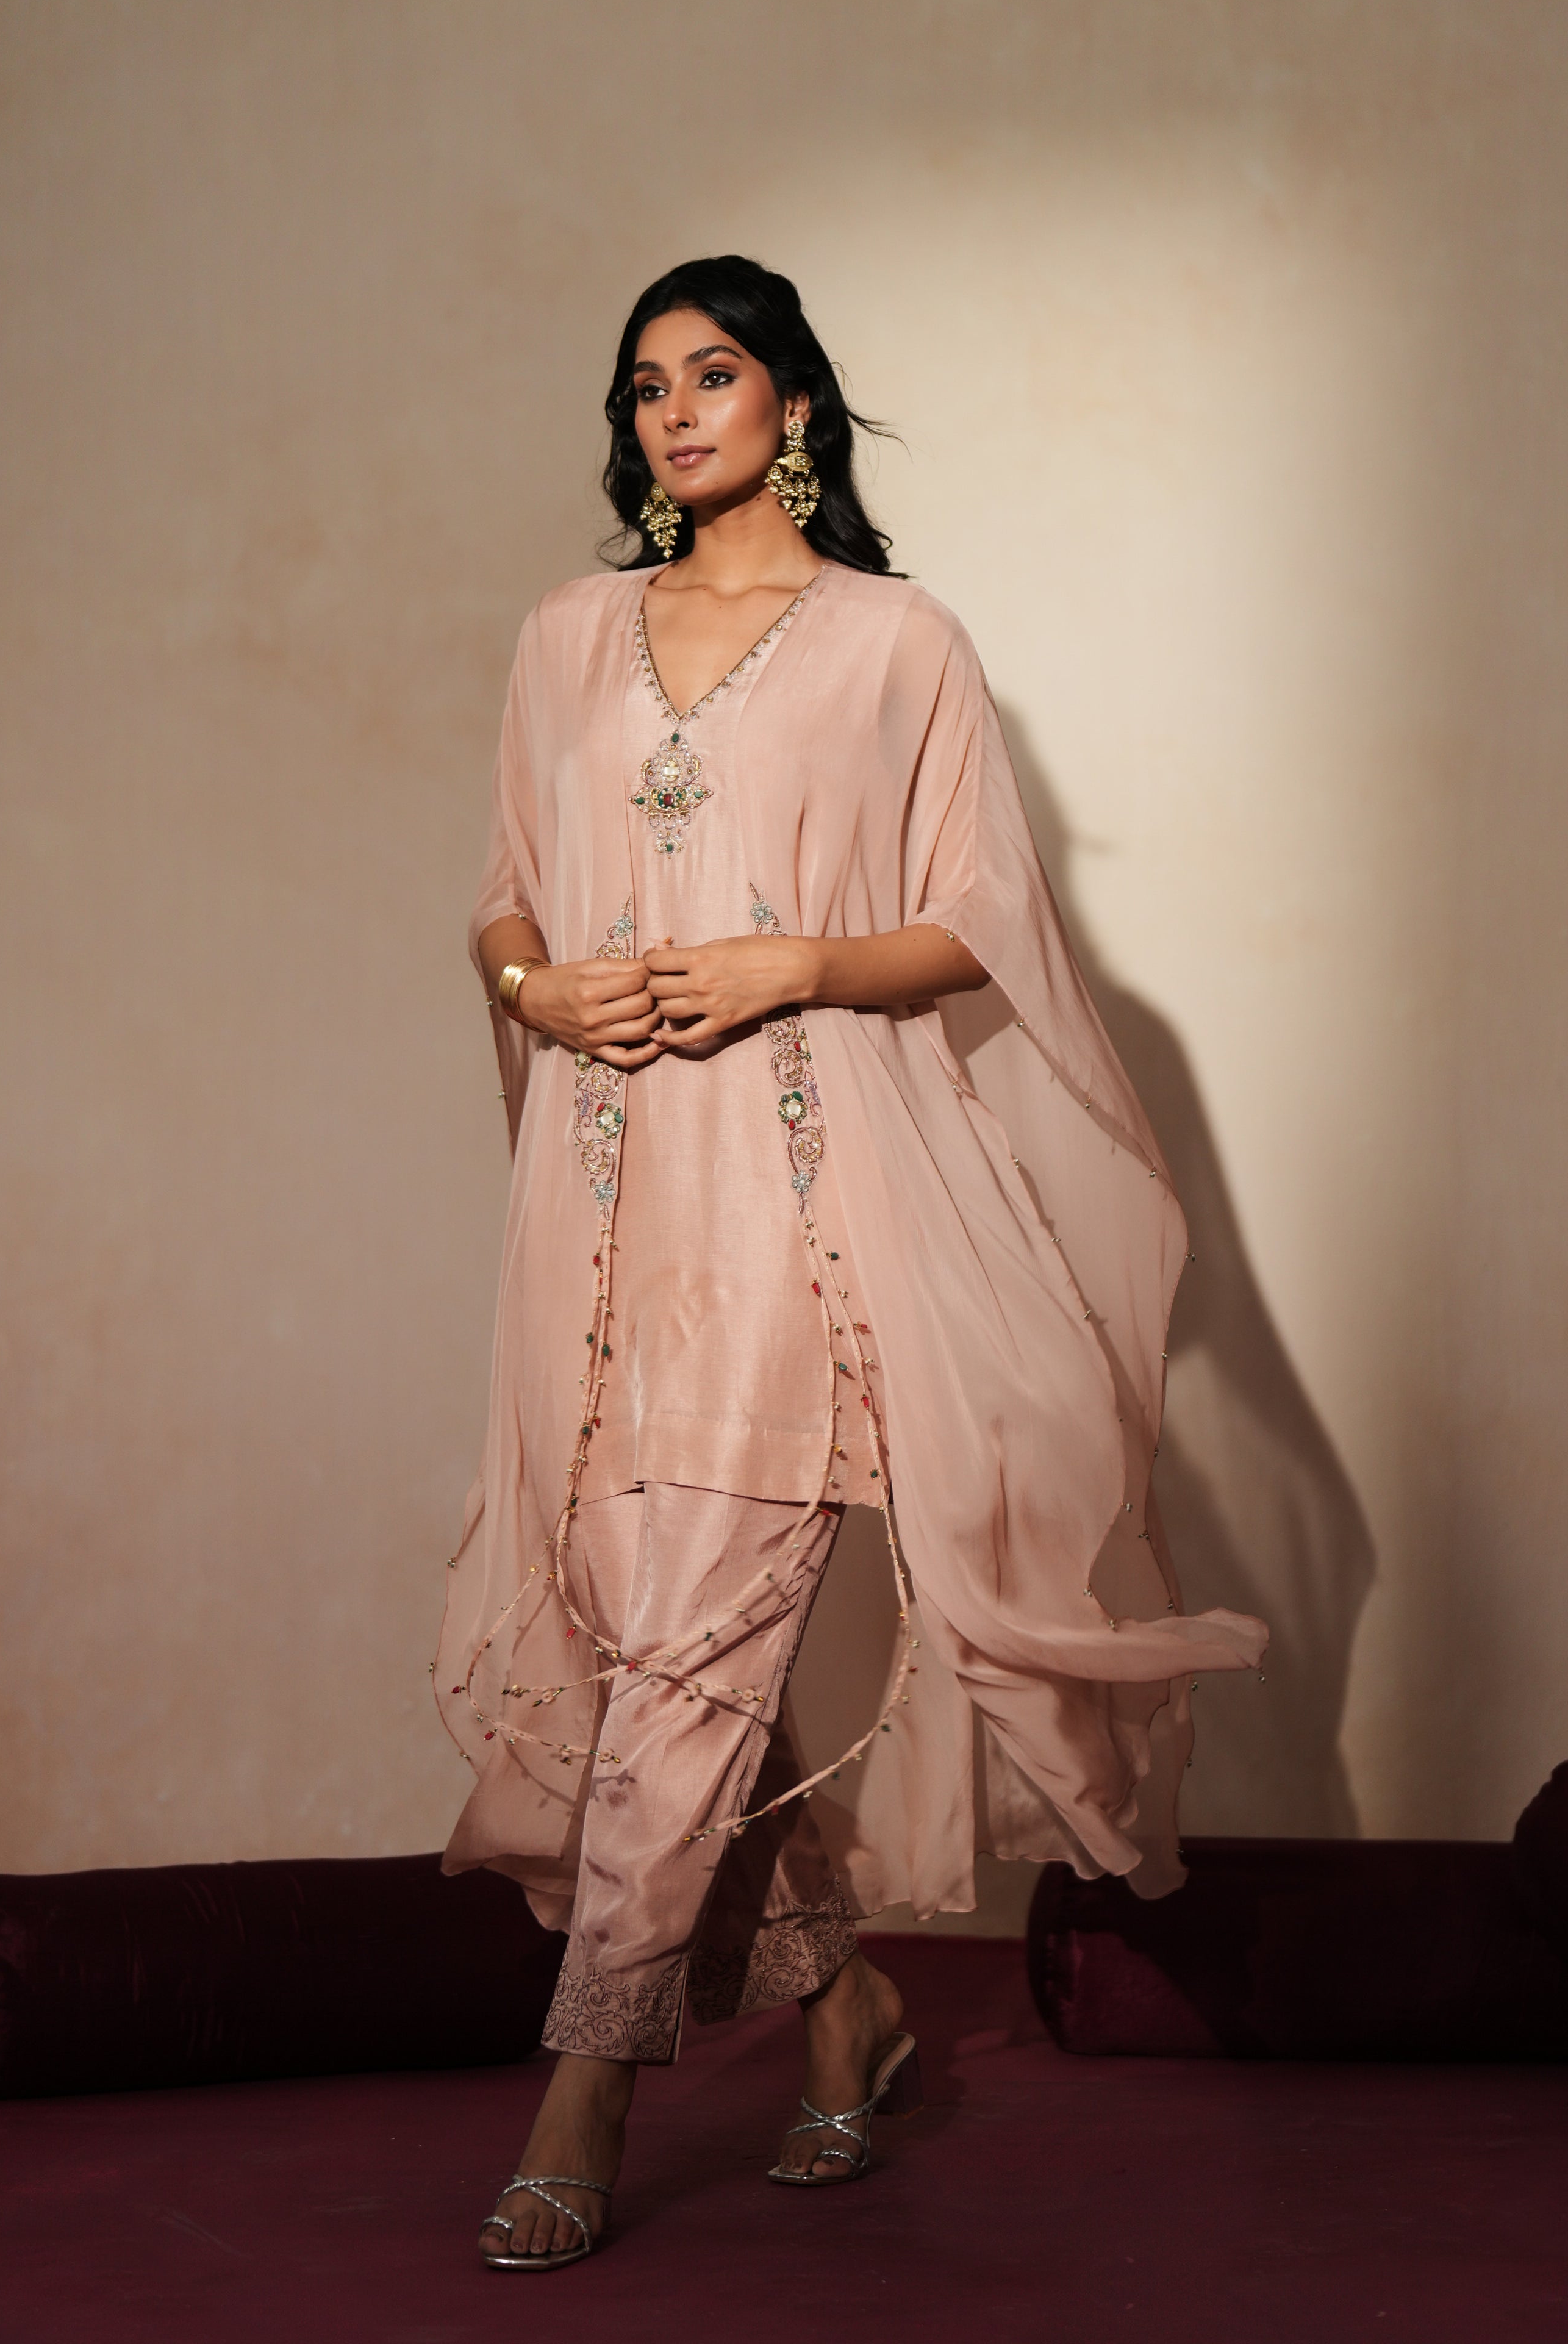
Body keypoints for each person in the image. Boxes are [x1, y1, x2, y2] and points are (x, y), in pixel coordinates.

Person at [433, 256, 1267, 2270]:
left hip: (805, 1213)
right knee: (655, 1652)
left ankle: (588, 2091)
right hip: (613, 1205)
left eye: (716, 374)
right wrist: (546, 1002)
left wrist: (797, 959)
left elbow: (982, 922)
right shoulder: (565, 636)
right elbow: (504, 911)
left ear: (795, 403)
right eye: (646, 388)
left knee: (703, 1635)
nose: (678, 410)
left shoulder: (899, 646)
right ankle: (852, 2007)